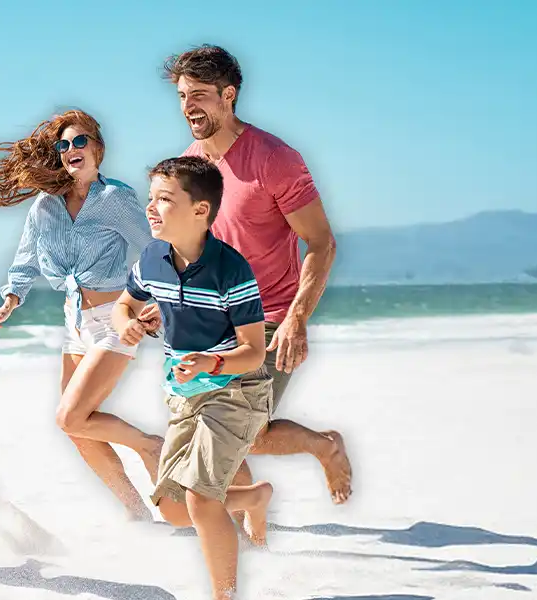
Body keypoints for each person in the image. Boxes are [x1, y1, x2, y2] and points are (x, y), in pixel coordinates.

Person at [164, 44, 353, 504]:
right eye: (183, 95)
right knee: (232, 429)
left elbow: (322, 243)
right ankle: (253, 520)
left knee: (237, 431)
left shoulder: (274, 159)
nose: (190, 106)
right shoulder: (190, 163)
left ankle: (321, 450)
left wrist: (296, 319)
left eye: (201, 94)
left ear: (229, 95)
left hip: (267, 318)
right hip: (211, 320)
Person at [0, 109, 164, 521]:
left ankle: (149, 446)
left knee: (70, 415)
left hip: (116, 318)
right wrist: (11, 300)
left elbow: (155, 248)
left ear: (97, 148)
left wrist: (161, 299)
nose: (72, 150)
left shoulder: (115, 199)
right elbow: (24, 259)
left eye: (80, 142)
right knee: (75, 427)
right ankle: (136, 512)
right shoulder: (46, 207)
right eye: (64, 145)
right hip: (75, 323)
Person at [112, 156, 275, 600]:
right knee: (172, 508)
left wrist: (211, 363)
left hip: (236, 389)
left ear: (201, 211)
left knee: (201, 501)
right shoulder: (152, 257)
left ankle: (225, 595)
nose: (151, 208)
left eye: (164, 199)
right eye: (151, 199)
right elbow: (123, 304)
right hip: (183, 393)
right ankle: (253, 498)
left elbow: (254, 351)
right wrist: (125, 320)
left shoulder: (231, 269)